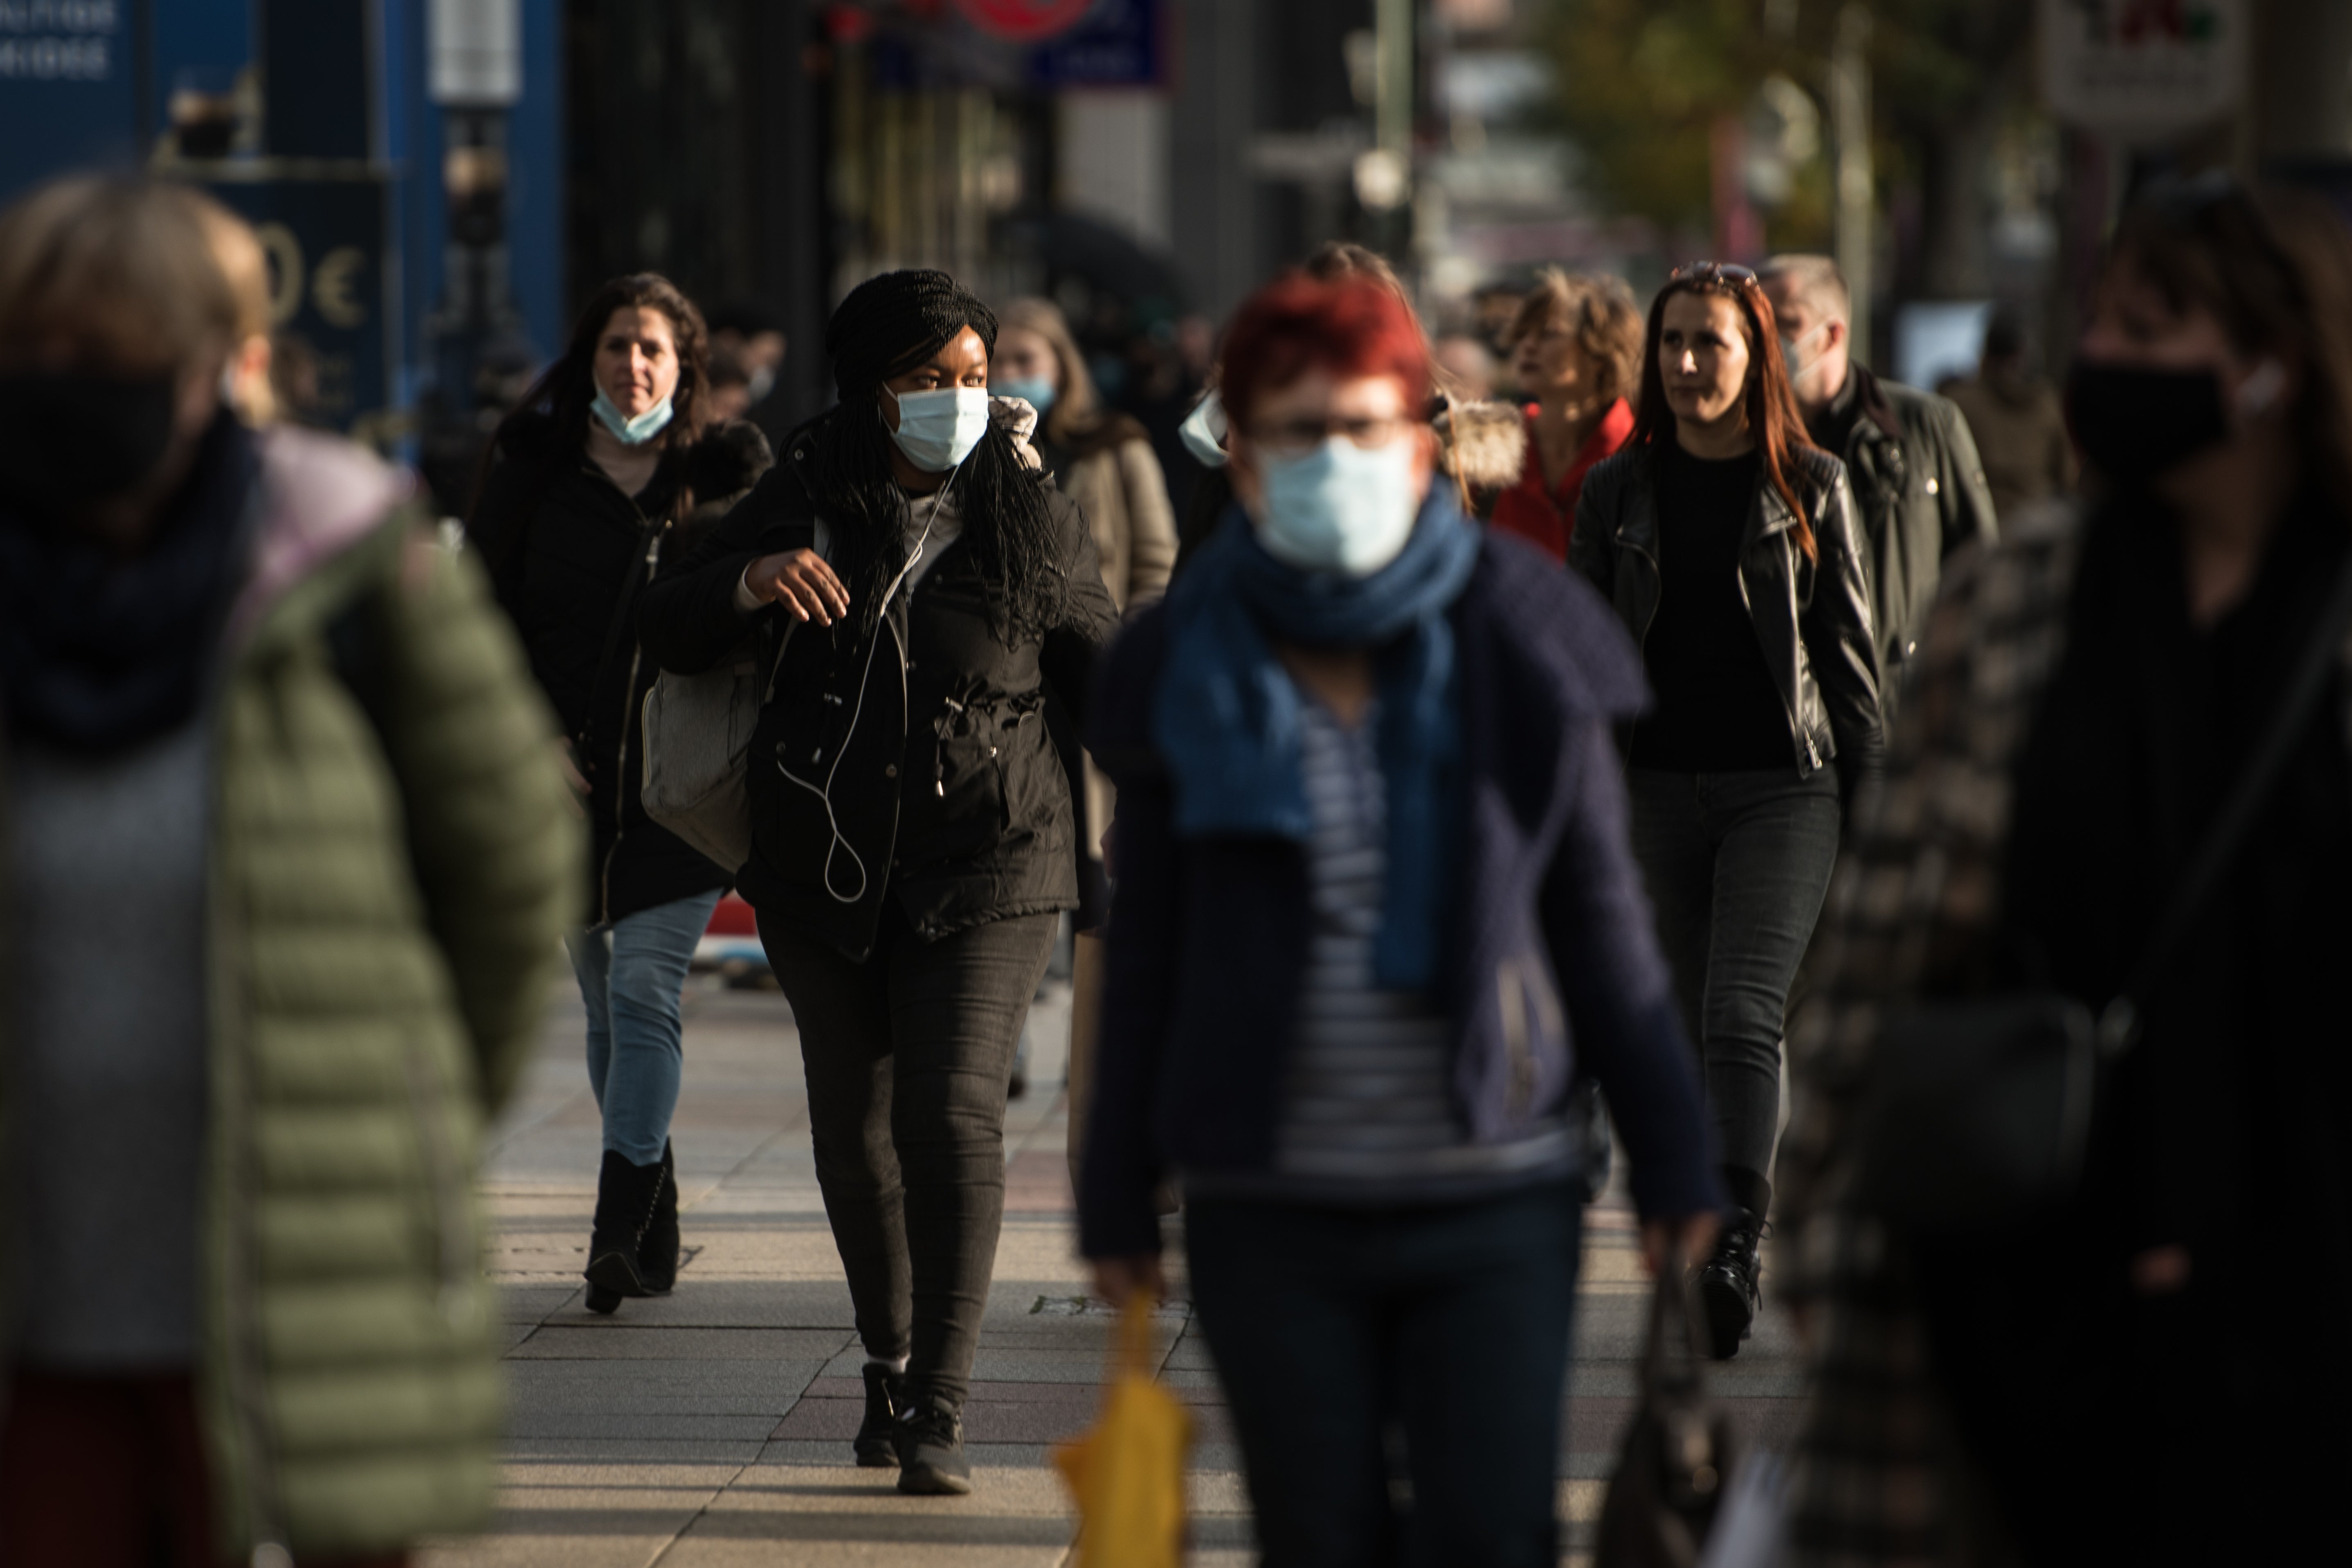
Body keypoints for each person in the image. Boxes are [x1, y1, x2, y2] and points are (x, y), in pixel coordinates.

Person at [1079, 273, 1721, 1566]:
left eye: (1363, 427)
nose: (1334, 460)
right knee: (1320, 1537)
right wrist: (1111, 1189)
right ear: (1243, 457)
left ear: (1422, 442)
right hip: (1268, 1198)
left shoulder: (1524, 637)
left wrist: (1674, 1152)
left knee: (1492, 1533)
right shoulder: (1186, 654)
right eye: (1297, 432)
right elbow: (1145, 943)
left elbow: (1603, 921)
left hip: (1495, 1192)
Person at [0, 175, 576, 1568]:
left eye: (125, 361)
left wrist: (403, 1118)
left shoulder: (350, 566)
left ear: (221, 365)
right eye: (48, 358)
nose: (84, 395)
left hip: (302, 1279)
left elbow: (508, 877)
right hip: (38, 1332)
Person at [1777, 179, 2352, 1567]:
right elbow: (1879, 957)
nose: (2107, 357)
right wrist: (1820, 1219)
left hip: (2308, 1318)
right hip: (2017, 1305)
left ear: (2282, 362)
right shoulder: (2023, 595)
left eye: (2152, 327)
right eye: (2102, 319)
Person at [636, 269, 1118, 1496]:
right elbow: (666, 620)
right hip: (822, 868)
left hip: (995, 858)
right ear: (869, 391)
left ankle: (941, 1405)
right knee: (857, 1138)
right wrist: (749, 582)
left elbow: (1106, 674)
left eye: (972, 378)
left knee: (950, 1112)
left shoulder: (1030, 512)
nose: (959, 403)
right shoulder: (802, 494)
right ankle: (889, 1359)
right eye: (926, 383)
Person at [1571, 260, 1883, 1359]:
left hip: (1783, 787)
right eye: (1672, 344)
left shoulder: (1812, 481)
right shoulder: (1616, 491)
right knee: (1667, 1028)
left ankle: (1733, 1244)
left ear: (1755, 358)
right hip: (1649, 788)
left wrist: (1879, 815)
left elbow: (1846, 671)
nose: (1689, 363)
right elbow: (1582, 660)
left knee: (1739, 1011)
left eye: (1710, 343)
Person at [469, 274, 773, 1315]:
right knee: (604, 1001)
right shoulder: (533, 471)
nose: (632, 365)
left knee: (645, 987)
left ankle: (610, 1226)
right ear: (587, 358)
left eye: (652, 348)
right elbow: (478, 617)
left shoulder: (723, 477)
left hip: (677, 786)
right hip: (557, 782)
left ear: (685, 363)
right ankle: (655, 1209)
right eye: (614, 346)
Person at [989, 296, 1177, 1164]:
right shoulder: (981, 453)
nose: (1013, 370)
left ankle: (1099, 1089)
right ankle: (1014, 1047)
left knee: (1100, 901)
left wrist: (1122, 653)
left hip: (1099, 691)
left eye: (1031, 355)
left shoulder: (1117, 448)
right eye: (1002, 357)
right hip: (1017, 701)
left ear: (1064, 364)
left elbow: (1156, 559)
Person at [1759, 254, 1996, 702]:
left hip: (1899, 709)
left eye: (1783, 325)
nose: (1766, 343)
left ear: (1831, 334)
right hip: (1797, 723)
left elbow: (1978, 567)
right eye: (1755, 325)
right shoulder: (1747, 439)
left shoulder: (1925, 425)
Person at [1490, 267, 1642, 561]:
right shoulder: (1492, 452)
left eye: (1548, 333)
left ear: (1600, 351)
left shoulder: (1642, 454)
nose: (1527, 346)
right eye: (1523, 333)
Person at [1940, 303, 2076, 519]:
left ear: (1985, 355)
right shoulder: (2048, 406)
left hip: (1978, 531)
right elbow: (2069, 479)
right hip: (2038, 530)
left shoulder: (1957, 404)